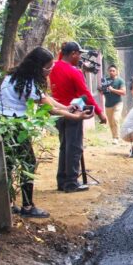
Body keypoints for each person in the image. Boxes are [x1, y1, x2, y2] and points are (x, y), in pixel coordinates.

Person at [0, 47, 93, 218]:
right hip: (15, 125)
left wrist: (68, 107)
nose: (50, 70)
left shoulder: (14, 77)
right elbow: (49, 108)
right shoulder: (27, 84)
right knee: (28, 163)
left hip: (3, 123)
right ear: (38, 66)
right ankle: (27, 206)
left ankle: (8, 204)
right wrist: (73, 116)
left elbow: (47, 99)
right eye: (48, 67)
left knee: (9, 164)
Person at [49, 41, 107, 193]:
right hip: (73, 112)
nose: (80, 57)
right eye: (79, 54)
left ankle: (62, 181)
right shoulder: (74, 72)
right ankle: (72, 182)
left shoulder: (53, 67)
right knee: (74, 147)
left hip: (58, 112)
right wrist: (100, 112)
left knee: (64, 147)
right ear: (73, 53)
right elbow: (85, 94)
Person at [101, 65, 126, 144]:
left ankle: (116, 137)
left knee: (115, 119)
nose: (111, 72)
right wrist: (102, 90)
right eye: (110, 70)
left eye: (113, 70)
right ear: (108, 71)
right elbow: (102, 91)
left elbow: (123, 92)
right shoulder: (105, 80)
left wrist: (112, 89)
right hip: (108, 104)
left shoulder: (120, 81)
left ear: (116, 72)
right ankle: (114, 137)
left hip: (118, 103)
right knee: (111, 122)